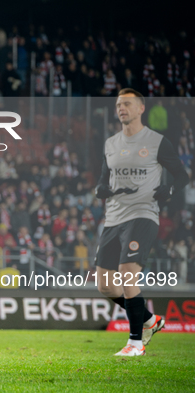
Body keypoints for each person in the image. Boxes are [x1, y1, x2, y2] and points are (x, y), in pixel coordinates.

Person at [95, 88, 189, 356]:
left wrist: (169, 190)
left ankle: (135, 343)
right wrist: (100, 188)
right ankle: (148, 319)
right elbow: (105, 177)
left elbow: (181, 175)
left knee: (127, 273)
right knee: (105, 286)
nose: (121, 108)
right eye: (118, 104)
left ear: (140, 109)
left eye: (127, 104)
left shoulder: (157, 141)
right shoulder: (110, 143)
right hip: (113, 218)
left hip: (143, 214)